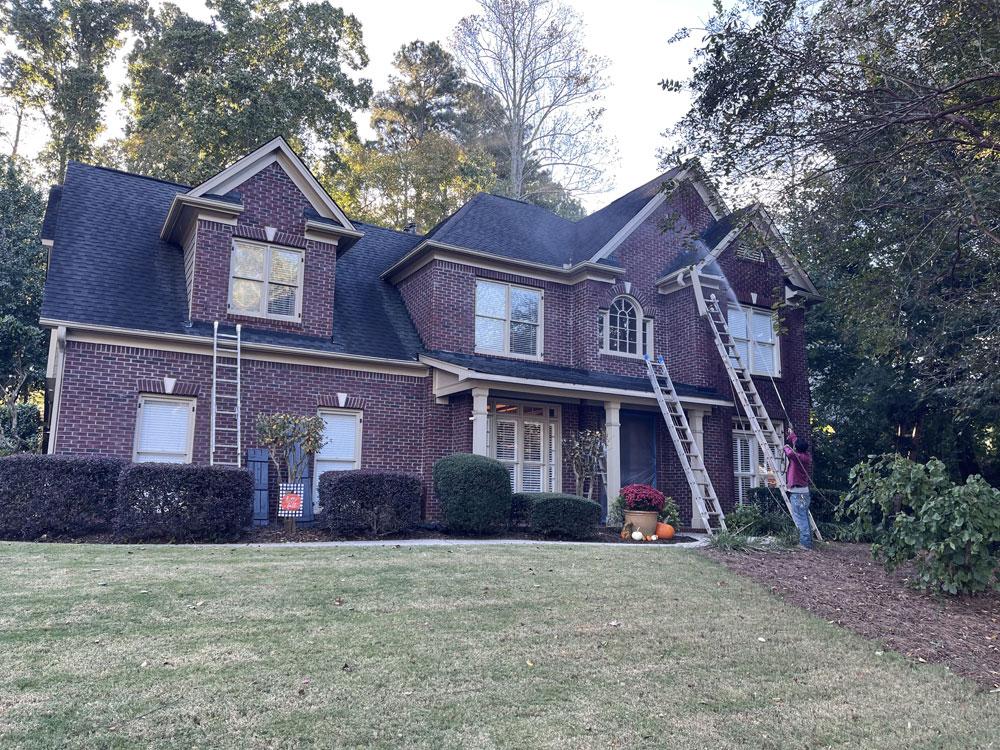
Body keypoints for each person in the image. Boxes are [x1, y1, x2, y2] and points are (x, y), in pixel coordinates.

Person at [784, 429, 814, 549]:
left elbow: (790, 454)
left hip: (798, 494)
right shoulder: (806, 456)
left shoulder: (798, 457)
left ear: (797, 448)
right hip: (803, 493)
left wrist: (786, 447)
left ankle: (805, 544)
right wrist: (792, 435)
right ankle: (808, 541)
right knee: (804, 517)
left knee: (801, 519)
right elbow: (797, 443)